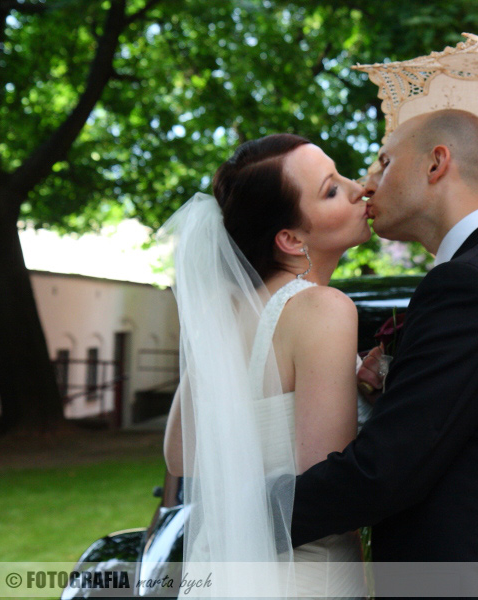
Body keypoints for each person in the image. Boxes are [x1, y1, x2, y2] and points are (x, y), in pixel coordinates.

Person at [291, 109, 478, 598]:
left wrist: (251, 513)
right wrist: (395, 380)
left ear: (436, 164)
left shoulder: (472, 281)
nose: (367, 185)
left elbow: (385, 470)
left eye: (383, 163)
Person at [161, 133, 371, 598]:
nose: (359, 187)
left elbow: (179, 454)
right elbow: (327, 483)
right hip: (305, 577)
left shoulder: (229, 312)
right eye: (332, 189)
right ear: (291, 238)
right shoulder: (324, 308)